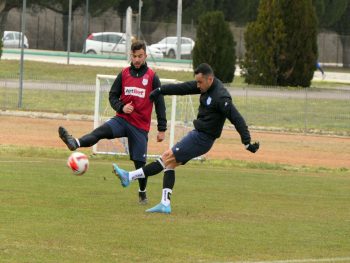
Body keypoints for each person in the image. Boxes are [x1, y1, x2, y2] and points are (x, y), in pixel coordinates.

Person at [112, 63, 259, 214]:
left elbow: (237, 118)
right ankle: (165, 203)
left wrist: (247, 142)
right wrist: (160, 90)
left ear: (210, 79)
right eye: (197, 81)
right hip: (198, 134)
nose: (197, 85)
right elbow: (182, 88)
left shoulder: (221, 96)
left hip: (202, 138)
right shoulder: (204, 85)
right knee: (170, 164)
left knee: (166, 157)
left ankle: (129, 176)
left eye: (200, 82)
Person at [58, 40, 167, 205]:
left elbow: (160, 103)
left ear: (145, 55)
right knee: (100, 132)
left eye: (140, 56)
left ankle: (142, 192)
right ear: (130, 55)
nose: (137, 60)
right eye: (134, 56)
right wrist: (122, 107)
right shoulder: (124, 74)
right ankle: (75, 143)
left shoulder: (152, 77)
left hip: (140, 127)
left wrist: (162, 128)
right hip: (122, 120)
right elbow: (112, 96)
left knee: (139, 163)